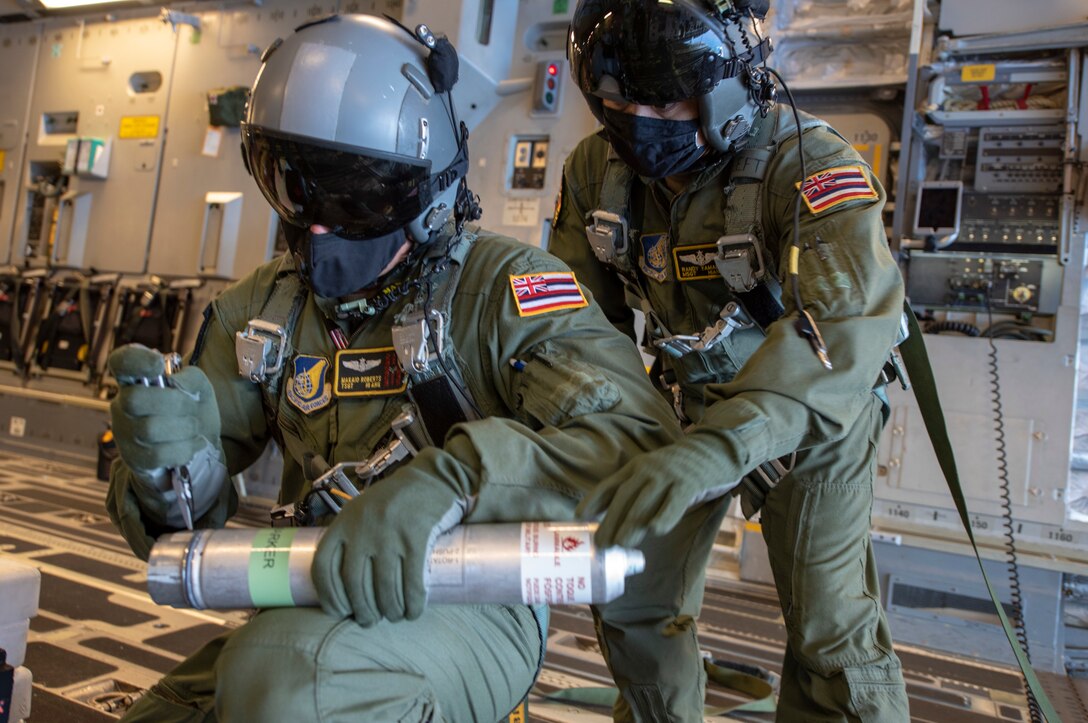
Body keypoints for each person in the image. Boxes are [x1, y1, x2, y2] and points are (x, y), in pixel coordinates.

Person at [104, 13, 689, 722]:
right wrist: (167, 465)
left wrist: (457, 482)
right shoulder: (263, 309)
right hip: (315, 583)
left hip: (467, 596)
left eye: (351, 198)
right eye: (294, 188)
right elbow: (182, 520)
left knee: (287, 684)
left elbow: (639, 440)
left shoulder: (503, 290)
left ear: (425, 191)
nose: (318, 226)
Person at [551, 1, 911, 721]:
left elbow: (840, 332)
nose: (640, 119)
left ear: (733, 83)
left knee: (829, 625)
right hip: (683, 403)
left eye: (666, 99)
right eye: (619, 99)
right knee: (628, 595)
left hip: (813, 411)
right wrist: (594, 432)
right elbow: (574, 330)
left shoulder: (809, 165)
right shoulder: (597, 171)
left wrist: (721, 448)